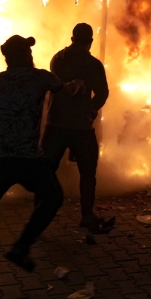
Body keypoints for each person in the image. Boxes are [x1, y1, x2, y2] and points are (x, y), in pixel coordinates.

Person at [0, 35, 83, 285]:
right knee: (52, 198)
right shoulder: (41, 77)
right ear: (26, 56)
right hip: (27, 158)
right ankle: (21, 247)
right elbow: (66, 91)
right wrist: (78, 83)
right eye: (29, 53)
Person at [42, 23, 112, 234]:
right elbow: (103, 93)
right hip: (81, 126)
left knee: (45, 170)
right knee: (88, 172)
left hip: (56, 124)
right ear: (90, 41)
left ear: (72, 38)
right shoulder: (93, 65)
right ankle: (87, 215)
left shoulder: (57, 59)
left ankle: (41, 215)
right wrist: (90, 109)